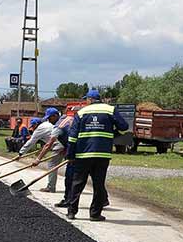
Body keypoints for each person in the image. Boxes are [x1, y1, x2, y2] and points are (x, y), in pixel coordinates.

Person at [64, 89, 129, 221]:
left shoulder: (81, 112)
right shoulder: (110, 110)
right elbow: (124, 126)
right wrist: (111, 129)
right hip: (102, 154)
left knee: (77, 183)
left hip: (83, 154)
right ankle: (95, 214)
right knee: (98, 184)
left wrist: (70, 155)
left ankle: (71, 212)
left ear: (89, 99)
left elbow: (72, 137)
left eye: (86, 100)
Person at [30, 108, 68, 193]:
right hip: (69, 146)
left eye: (50, 118)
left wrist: (38, 159)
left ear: (55, 116)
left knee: (52, 165)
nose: (49, 121)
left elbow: (48, 144)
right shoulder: (66, 119)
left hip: (66, 147)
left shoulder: (59, 125)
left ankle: (51, 187)